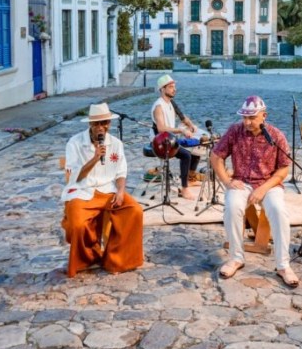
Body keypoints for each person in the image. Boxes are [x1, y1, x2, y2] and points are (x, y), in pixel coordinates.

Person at [210, 95, 300, 288]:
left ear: (264, 116)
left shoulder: (276, 135)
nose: (247, 122)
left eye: (252, 118)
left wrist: (264, 189)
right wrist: (226, 181)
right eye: (244, 117)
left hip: (269, 183)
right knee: (232, 207)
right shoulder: (235, 131)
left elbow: (284, 168)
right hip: (241, 181)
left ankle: (283, 265)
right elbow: (216, 156)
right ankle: (236, 258)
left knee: (278, 211)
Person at [60, 103, 144, 277]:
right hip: (82, 191)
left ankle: (116, 260)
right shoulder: (74, 143)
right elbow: (75, 176)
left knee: (135, 211)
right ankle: (88, 258)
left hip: (108, 190)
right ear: (89, 124)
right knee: (77, 224)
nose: (101, 127)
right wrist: (95, 158)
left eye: (104, 123)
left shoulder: (116, 144)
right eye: (96, 123)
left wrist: (120, 191)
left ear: (109, 124)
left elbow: (121, 171)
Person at [151, 74, 202, 200]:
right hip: (160, 142)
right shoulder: (158, 106)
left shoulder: (171, 103)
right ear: (163, 89)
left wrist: (191, 125)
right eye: (171, 87)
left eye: (174, 86)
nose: (174, 89)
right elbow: (161, 128)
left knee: (197, 144)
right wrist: (181, 130)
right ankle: (184, 189)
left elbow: (183, 117)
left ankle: (190, 178)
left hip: (171, 138)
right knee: (186, 155)